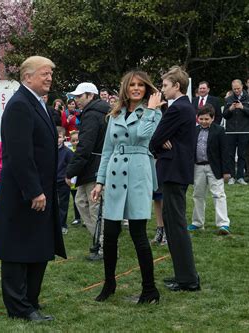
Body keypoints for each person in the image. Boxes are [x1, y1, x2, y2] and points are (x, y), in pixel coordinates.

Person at [0, 56, 66, 322]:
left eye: (51, 74)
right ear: (28, 76)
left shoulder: (36, 103)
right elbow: (19, 155)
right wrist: (34, 190)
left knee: (37, 247)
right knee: (17, 250)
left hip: (40, 190)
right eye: (44, 74)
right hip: (24, 193)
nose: (49, 78)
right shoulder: (20, 105)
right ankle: (19, 307)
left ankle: (30, 302)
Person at [91, 70, 163, 304]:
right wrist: (100, 181)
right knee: (110, 234)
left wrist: (151, 109)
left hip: (138, 173)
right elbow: (107, 150)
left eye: (141, 85)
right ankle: (109, 283)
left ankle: (150, 289)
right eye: (131, 84)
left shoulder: (153, 113)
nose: (136, 88)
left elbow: (143, 135)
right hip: (114, 174)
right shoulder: (114, 114)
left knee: (138, 233)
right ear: (125, 87)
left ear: (146, 89)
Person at [150, 66, 201, 292]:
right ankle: (184, 276)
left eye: (165, 86)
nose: (162, 90)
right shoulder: (184, 107)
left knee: (176, 225)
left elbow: (155, 138)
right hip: (176, 171)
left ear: (176, 86)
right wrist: (161, 142)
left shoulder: (177, 109)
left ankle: (188, 279)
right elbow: (161, 138)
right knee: (173, 225)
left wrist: (159, 144)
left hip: (173, 172)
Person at [65, 82, 110, 261]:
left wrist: (70, 171)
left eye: (79, 96)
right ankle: (100, 240)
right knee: (82, 201)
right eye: (75, 97)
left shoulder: (92, 114)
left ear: (90, 96)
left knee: (94, 207)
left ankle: (105, 246)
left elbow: (85, 146)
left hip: (94, 166)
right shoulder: (96, 112)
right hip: (92, 165)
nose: (76, 100)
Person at [188, 105, 231, 234]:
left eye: (207, 119)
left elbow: (225, 151)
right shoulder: (194, 131)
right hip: (198, 167)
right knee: (197, 195)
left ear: (212, 118)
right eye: (201, 119)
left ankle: (223, 224)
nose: (204, 121)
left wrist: (226, 171)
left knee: (219, 195)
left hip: (215, 168)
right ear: (197, 118)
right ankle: (197, 222)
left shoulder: (219, 131)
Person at [223, 79, 249, 185]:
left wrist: (242, 107)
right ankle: (232, 176)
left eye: (238, 88)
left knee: (242, 154)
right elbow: (224, 115)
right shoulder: (228, 99)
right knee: (230, 154)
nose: (236, 90)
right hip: (231, 131)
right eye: (234, 89)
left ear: (242, 87)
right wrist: (230, 109)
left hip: (245, 131)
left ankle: (240, 176)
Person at [56, 126, 74, 234]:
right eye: (55, 137)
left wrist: (68, 177)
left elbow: (71, 166)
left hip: (63, 182)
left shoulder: (68, 152)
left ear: (63, 138)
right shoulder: (49, 150)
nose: (57, 139)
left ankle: (62, 224)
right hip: (52, 181)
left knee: (63, 203)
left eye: (59, 137)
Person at [68, 131, 81, 225]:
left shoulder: (83, 151)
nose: (76, 142)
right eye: (73, 141)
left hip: (82, 180)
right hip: (72, 182)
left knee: (84, 201)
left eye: (77, 140)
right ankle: (77, 218)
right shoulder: (69, 152)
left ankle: (85, 218)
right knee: (76, 200)